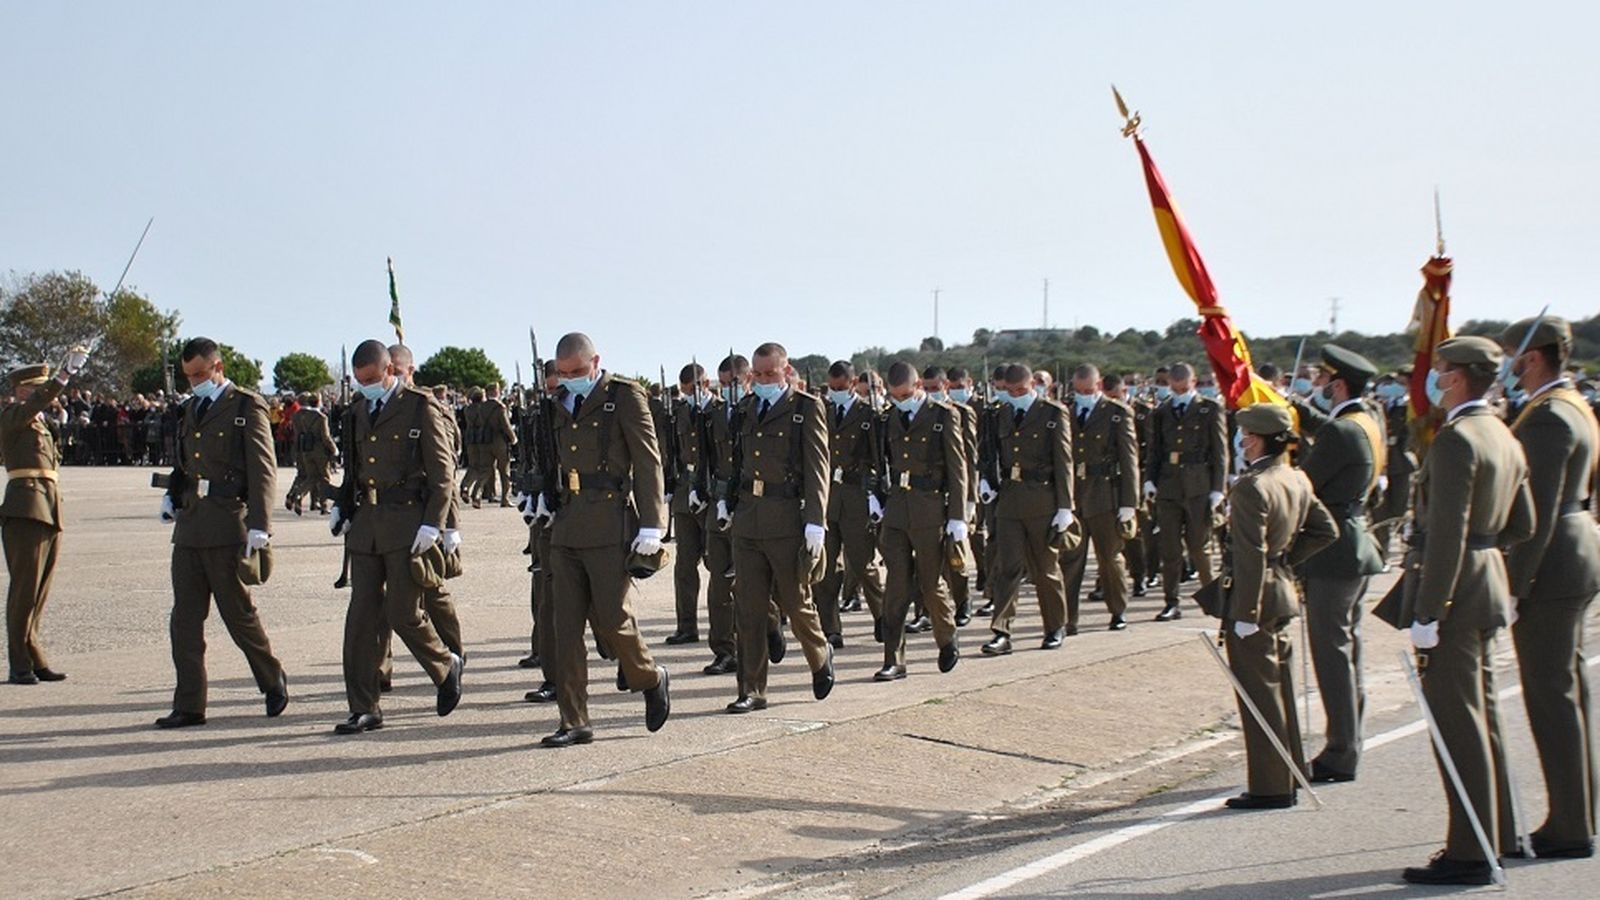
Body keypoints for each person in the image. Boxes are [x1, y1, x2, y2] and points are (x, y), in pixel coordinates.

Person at [1400, 336, 1536, 885]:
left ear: (1456, 379)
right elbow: (1522, 523)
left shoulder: (1457, 439)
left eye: (1441, 372)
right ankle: (1496, 833)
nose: (1435, 380)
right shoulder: (1503, 433)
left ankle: (1470, 852)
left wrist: (1429, 612)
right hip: (1487, 582)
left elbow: (1447, 535)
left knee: (1457, 723)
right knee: (1482, 718)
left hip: (1454, 591)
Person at [536, 332, 671, 746]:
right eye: (563, 373)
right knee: (564, 627)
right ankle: (574, 720)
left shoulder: (625, 397)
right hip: (566, 524)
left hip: (611, 522)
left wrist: (653, 524)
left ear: (596, 361)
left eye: (577, 371)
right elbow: (547, 456)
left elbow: (648, 461)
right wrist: (538, 492)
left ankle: (649, 676)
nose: (569, 379)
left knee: (614, 619)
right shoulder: (554, 404)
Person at [1500, 316, 1599, 859]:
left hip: (1552, 562)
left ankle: (1568, 825)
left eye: (1513, 354)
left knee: (1551, 694)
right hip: (1577, 550)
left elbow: (1532, 513)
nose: (1509, 365)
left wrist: (1514, 585)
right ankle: (1579, 810)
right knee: (1569, 690)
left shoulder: (1548, 418)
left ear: (1532, 357)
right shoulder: (1574, 405)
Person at [327, 340, 462, 735]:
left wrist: (435, 524)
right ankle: (364, 707)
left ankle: (444, 664)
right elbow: (353, 468)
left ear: (390, 370)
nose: (366, 386)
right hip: (367, 525)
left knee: (404, 613)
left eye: (372, 378)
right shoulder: (356, 412)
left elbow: (443, 475)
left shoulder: (420, 406)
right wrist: (341, 505)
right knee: (361, 620)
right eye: (359, 380)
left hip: (408, 523)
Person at [155, 338, 288, 727]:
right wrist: (171, 495)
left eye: (199, 373)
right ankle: (190, 703)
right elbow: (185, 463)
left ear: (218, 367)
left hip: (229, 524)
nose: (194, 381)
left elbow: (263, 469)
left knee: (238, 615)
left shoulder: (245, 406)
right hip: (191, 525)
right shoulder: (190, 408)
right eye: (188, 376)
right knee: (184, 620)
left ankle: (271, 677)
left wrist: (261, 527)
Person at [1220, 403, 1337, 810]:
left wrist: (1245, 613)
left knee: (1261, 693)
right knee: (1281, 687)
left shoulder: (1253, 486)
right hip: (1281, 587)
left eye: (1247, 436)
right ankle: (1289, 770)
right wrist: (1285, 560)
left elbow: (1250, 554)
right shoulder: (1296, 477)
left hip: (1257, 596)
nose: (1243, 442)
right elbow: (1325, 530)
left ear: (1259, 438)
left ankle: (1272, 785)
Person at [724, 342, 835, 713]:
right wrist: (727, 498)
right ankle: (751, 689)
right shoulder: (745, 408)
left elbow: (818, 467)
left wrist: (815, 522)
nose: (764, 380)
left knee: (795, 600)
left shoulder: (805, 408)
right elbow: (736, 461)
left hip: (787, 518)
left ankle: (819, 654)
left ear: (787, 371)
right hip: (748, 519)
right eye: (758, 374)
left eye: (771, 373)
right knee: (749, 607)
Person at [1296, 345, 1388, 784]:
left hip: (1332, 553)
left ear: (1338, 384)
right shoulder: (1368, 420)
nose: (1319, 387)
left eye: (1324, 381)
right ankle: (1349, 741)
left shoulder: (1342, 432)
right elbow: (1328, 429)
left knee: (1331, 654)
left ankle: (1339, 752)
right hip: (1355, 544)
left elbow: (1306, 482)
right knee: (1348, 650)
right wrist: (1289, 406)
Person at [871, 361, 967, 680]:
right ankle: (893, 659)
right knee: (896, 585)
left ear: (918, 388)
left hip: (930, 510)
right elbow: (880, 462)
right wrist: (876, 497)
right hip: (897, 509)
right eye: (894, 396)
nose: (899, 401)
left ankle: (946, 637)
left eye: (904, 394)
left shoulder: (943, 416)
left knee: (930, 582)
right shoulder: (887, 419)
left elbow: (957, 469)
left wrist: (958, 516)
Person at [2, 349, 88, 684]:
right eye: (38, 388)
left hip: (49, 505)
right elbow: (34, 405)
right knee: (24, 589)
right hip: (25, 508)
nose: (45, 393)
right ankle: (18, 662)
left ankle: (34, 654)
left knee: (40, 590)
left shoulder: (38, 422)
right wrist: (62, 377)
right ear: (22, 390)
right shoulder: (12, 415)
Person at [978, 363, 1075, 655]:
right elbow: (990, 452)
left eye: (1020, 390)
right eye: (1010, 391)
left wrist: (1065, 507)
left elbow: (1064, 461)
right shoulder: (1000, 413)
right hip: (1009, 499)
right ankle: (1001, 632)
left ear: (1032, 383)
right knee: (1007, 568)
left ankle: (1054, 627)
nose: (1015, 395)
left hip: (1043, 500)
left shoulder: (1052, 413)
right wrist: (986, 481)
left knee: (1045, 569)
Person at [1059, 364, 1139, 634]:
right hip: (1075, 497)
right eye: (1079, 390)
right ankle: (1067, 618)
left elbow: (1129, 461)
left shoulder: (1117, 413)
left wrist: (1129, 503)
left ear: (1100, 385)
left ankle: (1117, 610)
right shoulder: (1065, 413)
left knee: (1110, 558)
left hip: (1107, 495)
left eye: (1089, 390)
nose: (1083, 394)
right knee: (1070, 561)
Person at [1144, 362, 1227, 621]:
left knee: (1200, 547)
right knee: (1169, 549)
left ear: (1193, 383)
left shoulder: (1209, 409)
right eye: (1174, 388)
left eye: (1183, 387)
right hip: (1169, 485)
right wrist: (1149, 480)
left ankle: (1213, 599)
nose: (1178, 392)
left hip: (1199, 485)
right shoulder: (1162, 411)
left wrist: (1218, 488)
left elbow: (1220, 451)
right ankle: (1171, 602)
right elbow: (1154, 451)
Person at [815, 361, 885, 645]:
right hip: (829, 497)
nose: (835, 392)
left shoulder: (869, 414)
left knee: (863, 565)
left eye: (841, 388)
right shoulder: (823, 411)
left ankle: (883, 618)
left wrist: (875, 497)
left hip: (857, 497)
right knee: (826, 570)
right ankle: (831, 629)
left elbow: (878, 461)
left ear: (854, 382)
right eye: (832, 388)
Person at [287, 392, 337, 515]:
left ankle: (299, 495)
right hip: (320, 451)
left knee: (311, 477)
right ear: (318, 402)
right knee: (325, 478)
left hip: (306, 450)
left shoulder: (302, 416)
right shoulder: (321, 417)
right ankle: (324, 505)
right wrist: (334, 449)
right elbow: (325, 437)